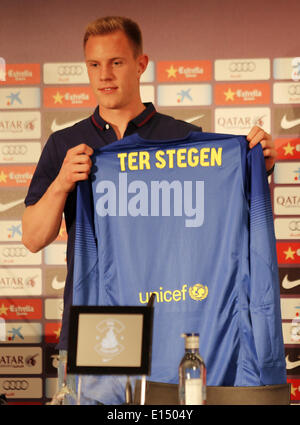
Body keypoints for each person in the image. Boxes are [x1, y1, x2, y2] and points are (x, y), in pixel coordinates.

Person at [22, 16, 277, 404]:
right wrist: (61, 183)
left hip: (170, 324)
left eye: (117, 62)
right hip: (97, 325)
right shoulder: (65, 143)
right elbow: (33, 238)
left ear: (141, 64)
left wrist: (253, 166)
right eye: (94, 64)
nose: (104, 75)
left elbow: (220, 223)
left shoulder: (182, 138)